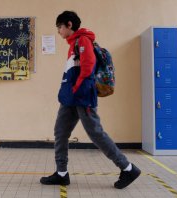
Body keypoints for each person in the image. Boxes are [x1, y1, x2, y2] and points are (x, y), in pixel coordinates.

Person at [40, 11, 141, 189]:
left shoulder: (83, 41)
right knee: (60, 132)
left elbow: (87, 68)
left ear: (69, 25)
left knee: (96, 133)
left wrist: (76, 88)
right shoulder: (72, 44)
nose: (58, 31)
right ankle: (61, 173)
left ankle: (128, 168)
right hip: (70, 98)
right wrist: (71, 91)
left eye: (59, 27)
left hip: (82, 97)